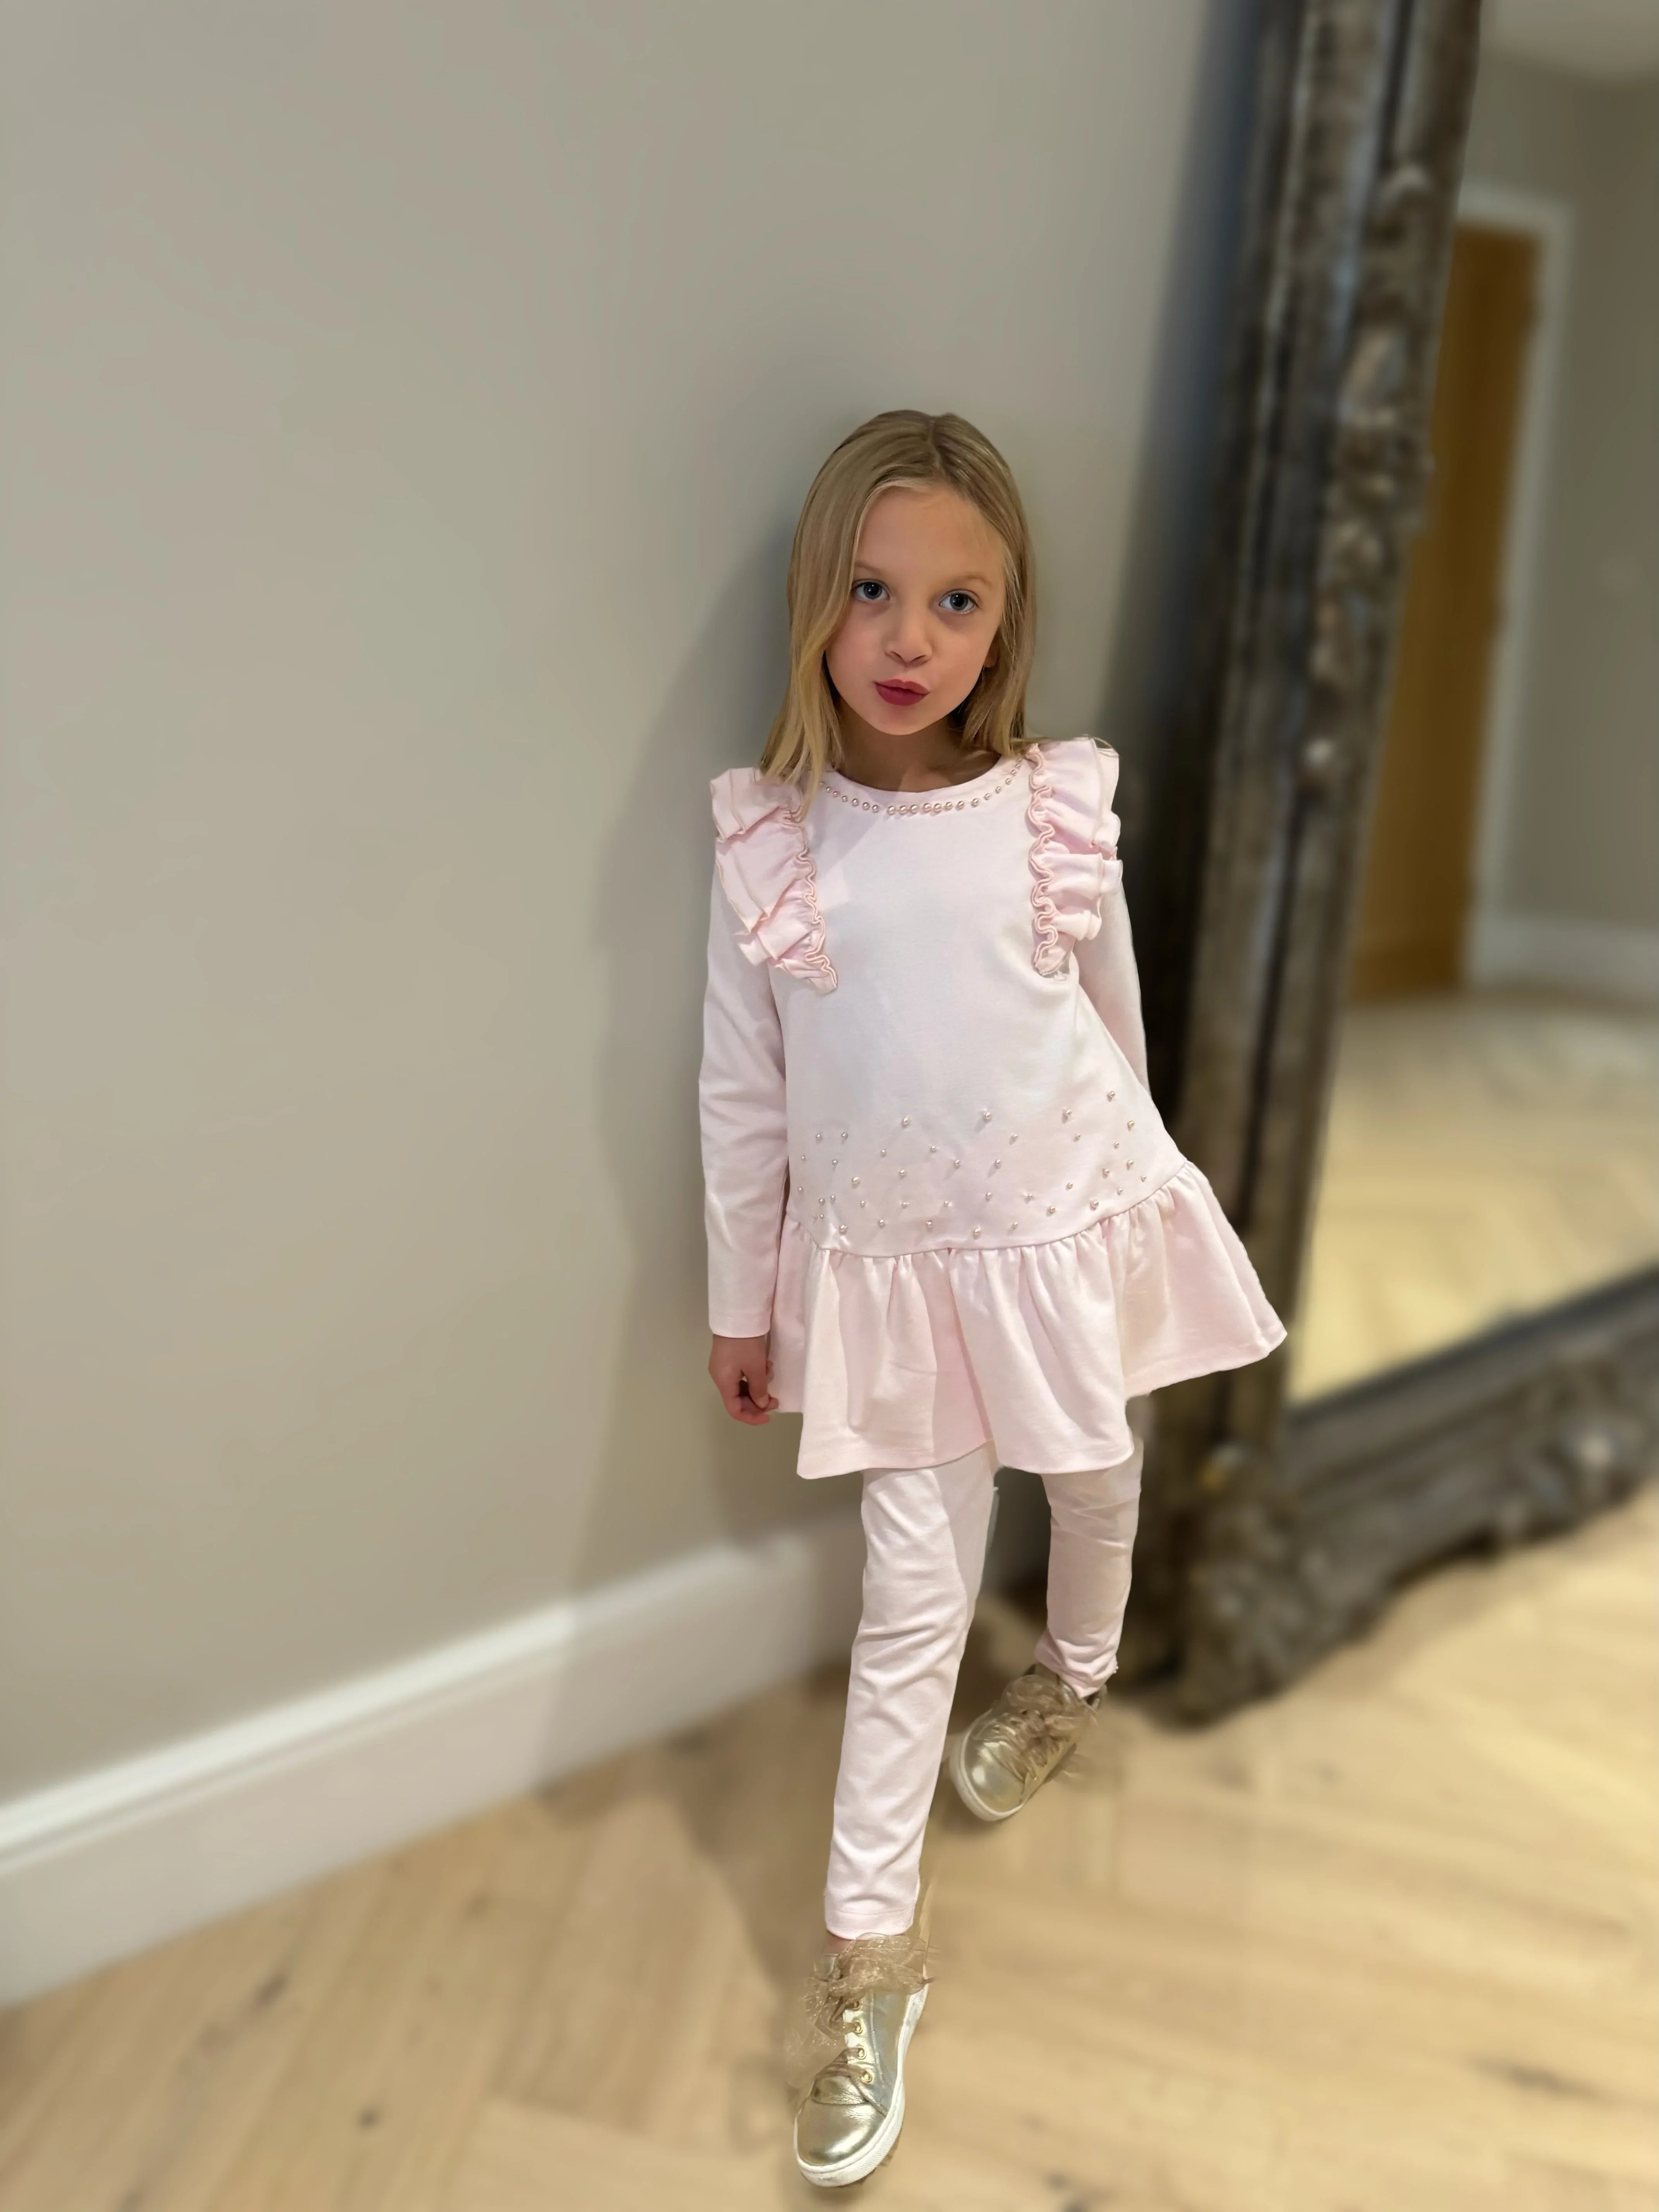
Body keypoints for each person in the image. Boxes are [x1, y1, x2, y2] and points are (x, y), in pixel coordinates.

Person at [699, 409, 1286, 2188]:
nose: (907, 637)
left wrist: (1142, 1212)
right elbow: (743, 1093)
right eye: (873, 590)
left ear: (1004, 622)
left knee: (1098, 1478)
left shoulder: (1052, 814)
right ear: (820, 598)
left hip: (1068, 1221)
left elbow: (1111, 1028)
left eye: (955, 601)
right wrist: (747, 1300)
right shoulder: (772, 846)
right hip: (891, 1285)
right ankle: (872, 1956)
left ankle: (1072, 1676)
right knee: (905, 1608)